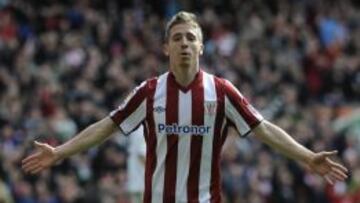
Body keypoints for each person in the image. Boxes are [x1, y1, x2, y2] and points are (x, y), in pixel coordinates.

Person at [22, 11, 348, 203]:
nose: (184, 44)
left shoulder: (220, 92)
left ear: (202, 47)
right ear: (166, 48)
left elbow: (263, 130)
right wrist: (61, 151)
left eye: (191, 38)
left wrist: (307, 156)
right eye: (177, 38)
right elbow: (107, 125)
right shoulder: (149, 92)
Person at [127, 125, 146, 203]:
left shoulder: (137, 129)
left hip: (137, 182)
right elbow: (142, 156)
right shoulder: (143, 130)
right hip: (143, 183)